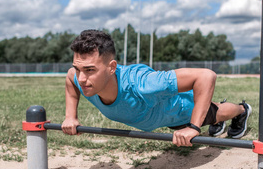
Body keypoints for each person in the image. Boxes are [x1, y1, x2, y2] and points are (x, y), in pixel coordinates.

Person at [62, 29, 251, 147]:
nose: (82, 78)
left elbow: (206, 76)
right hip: (159, 113)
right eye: (78, 68)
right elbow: (70, 79)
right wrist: (71, 116)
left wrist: (193, 127)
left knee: (215, 112)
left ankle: (243, 110)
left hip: (180, 112)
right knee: (209, 110)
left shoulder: (143, 85)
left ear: (112, 67)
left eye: (89, 70)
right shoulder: (78, 77)